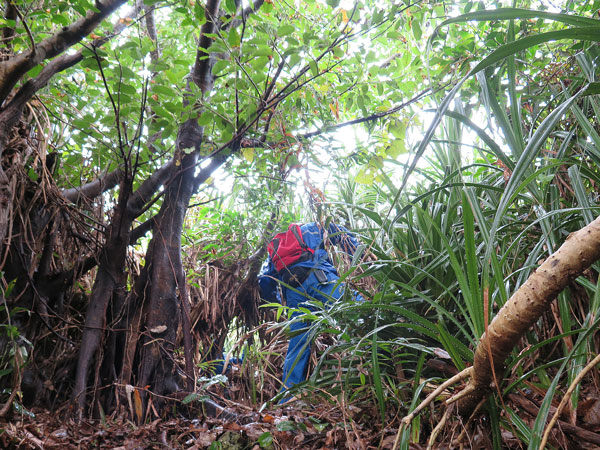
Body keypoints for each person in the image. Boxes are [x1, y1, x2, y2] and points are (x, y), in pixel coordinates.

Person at [258, 221, 363, 401]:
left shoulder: (276, 251)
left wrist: (277, 305)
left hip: (295, 296)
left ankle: (287, 400)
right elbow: (342, 235)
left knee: (298, 346)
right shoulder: (314, 227)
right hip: (321, 280)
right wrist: (359, 256)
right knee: (357, 308)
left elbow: (265, 282)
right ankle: (373, 357)